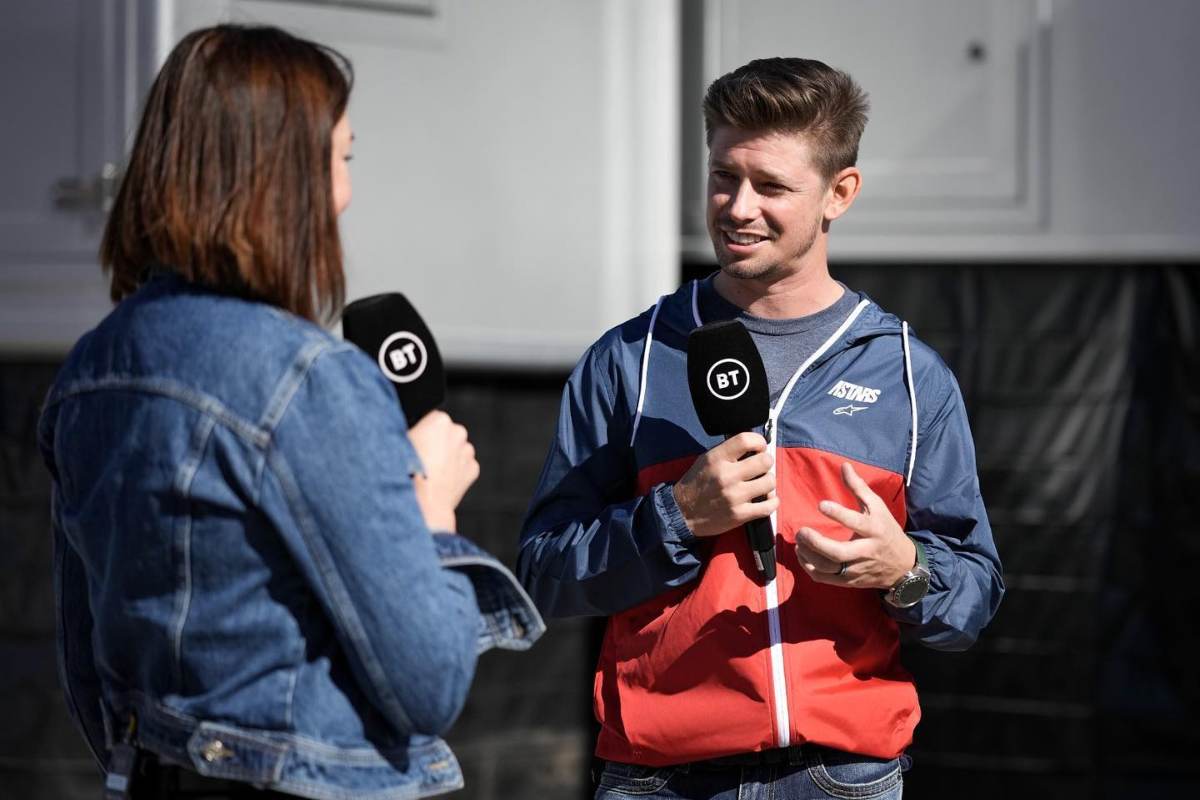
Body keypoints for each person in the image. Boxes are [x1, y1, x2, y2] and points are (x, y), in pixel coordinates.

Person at [38, 25, 541, 799]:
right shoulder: (307, 379)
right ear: (283, 176)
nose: (346, 191)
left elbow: (86, 659)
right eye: (341, 158)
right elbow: (429, 682)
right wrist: (430, 507)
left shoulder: (91, 371)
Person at [518, 57, 1004, 799]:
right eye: (723, 176)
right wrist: (673, 519)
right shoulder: (628, 360)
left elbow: (972, 595)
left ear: (841, 192)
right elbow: (544, 574)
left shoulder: (909, 374)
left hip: (844, 780)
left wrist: (903, 570)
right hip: (658, 781)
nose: (739, 207)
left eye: (772, 186)